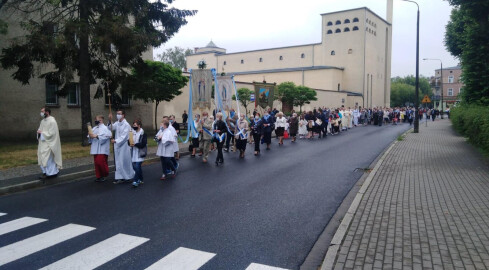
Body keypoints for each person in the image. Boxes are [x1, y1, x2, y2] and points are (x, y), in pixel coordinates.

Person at [109, 110, 135, 184]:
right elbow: (111, 127)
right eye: (117, 114)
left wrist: (116, 141)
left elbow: (125, 136)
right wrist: (110, 120)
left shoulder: (126, 124)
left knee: (124, 161)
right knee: (118, 161)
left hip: (124, 145)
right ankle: (120, 177)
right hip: (117, 145)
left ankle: (128, 176)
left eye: (119, 114)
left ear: (123, 115)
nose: (118, 115)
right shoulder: (117, 123)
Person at [37, 107, 62, 181]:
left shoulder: (52, 121)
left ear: (47, 112)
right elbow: (40, 130)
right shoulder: (42, 121)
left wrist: (42, 133)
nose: (41, 113)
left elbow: (52, 133)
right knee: (42, 157)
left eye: (42, 112)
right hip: (43, 143)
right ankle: (45, 172)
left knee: (48, 159)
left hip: (49, 143)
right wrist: (39, 132)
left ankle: (52, 173)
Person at [88, 115, 111, 182]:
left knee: (101, 162)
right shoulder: (94, 128)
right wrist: (90, 135)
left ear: (101, 120)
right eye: (95, 119)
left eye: (97, 119)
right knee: (96, 163)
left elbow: (107, 136)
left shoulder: (105, 128)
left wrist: (97, 136)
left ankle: (104, 174)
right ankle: (98, 176)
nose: (96, 121)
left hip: (102, 148)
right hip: (96, 148)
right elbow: (90, 137)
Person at [130, 119, 147, 188]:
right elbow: (129, 142)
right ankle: (141, 178)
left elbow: (143, 144)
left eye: (135, 125)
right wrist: (130, 143)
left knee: (137, 166)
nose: (133, 126)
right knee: (135, 167)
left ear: (139, 126)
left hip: (140, 152)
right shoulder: (132, 133)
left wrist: (135, 144)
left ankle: (135, 180)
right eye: (133, 125)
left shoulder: (143, 134)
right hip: (133, 152)